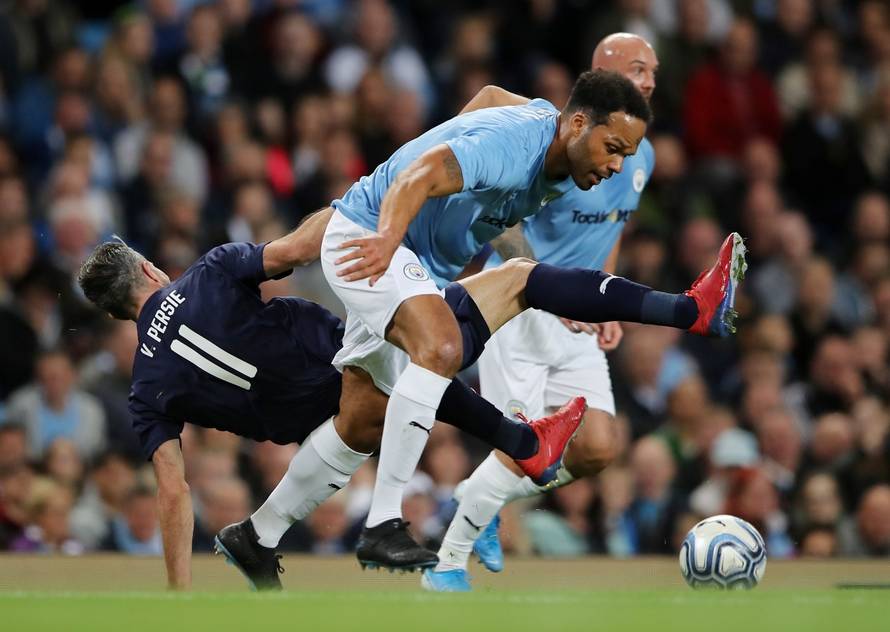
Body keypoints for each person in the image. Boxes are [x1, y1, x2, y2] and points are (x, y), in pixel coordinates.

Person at [76, 208, 743, 589]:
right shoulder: (211, 272)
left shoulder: (145, 387)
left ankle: (522, 443)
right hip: (343, 361)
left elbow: (173, 492)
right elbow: (304, 246)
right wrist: (362, 207)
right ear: (150, 268)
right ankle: (686, 310)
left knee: (410, 368)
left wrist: (180, 599)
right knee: (518, 278)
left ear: (115, 314)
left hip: (317, 417)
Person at [317, 68, 665, 571]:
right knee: (442, 356)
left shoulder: (570, 156)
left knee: (364, 416)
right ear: (578, 122)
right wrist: (393, 236)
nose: (616, 164)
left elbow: (490, 96)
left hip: (472, 279)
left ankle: (259, 535)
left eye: (624, 154)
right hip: (410, 254)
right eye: (612, 148)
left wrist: (585, 291)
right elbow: (422, 171)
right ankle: (413, 538)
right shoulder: (517, 145)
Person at [424, 33, 660, 592]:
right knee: (522, 447)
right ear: (606, 69)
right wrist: (543, 281)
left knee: (597, 447)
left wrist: (605, 295)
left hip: (578, 314)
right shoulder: (557, 138)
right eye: (639, 68)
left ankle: (480, 497)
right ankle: (447, 565)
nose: (650, 79)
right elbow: (497, 216)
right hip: (522, 306)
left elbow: (613, 228)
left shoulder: (639, 154)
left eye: (654, 70)